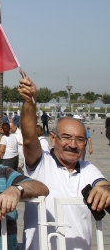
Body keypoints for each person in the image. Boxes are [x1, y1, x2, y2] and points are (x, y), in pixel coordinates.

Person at [19, 74, 110, 250]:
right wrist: (30, 103)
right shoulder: (40, 163)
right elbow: (29, 139)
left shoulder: (87, 169)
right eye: (66, 138)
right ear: (53, 139)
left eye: (80, 139)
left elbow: (104, 185)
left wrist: (105, 190)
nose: (73, 145)